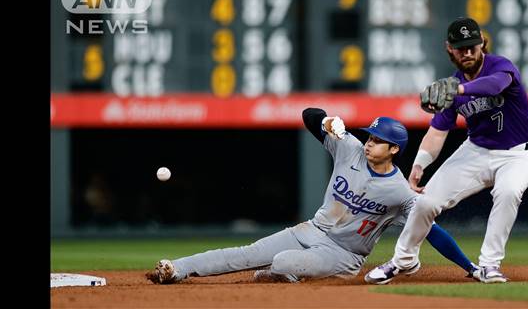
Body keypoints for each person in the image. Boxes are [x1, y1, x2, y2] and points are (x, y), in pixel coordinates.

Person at [146, 108, 478, 284]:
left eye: (377, 140)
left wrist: (468, 267)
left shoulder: (400, 192)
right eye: (369, 136)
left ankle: (287, 274)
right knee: (247, 253)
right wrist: (326, 119)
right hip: (311, 229)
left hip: (345, 255)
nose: (368, 142)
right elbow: (308, 115)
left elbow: (434, 231)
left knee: (281, 262)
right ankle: (177, 268)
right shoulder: (348, 147)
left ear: (394, 149)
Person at [365, 17, 528, 285]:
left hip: (519, 153)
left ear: (482, 42)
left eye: (472, 45)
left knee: (508, 192)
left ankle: (489, 265)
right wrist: (419, 164)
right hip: (476, 151)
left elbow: (494, 86)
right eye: (461, 48)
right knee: (425, 203)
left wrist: (457, 89)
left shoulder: (500, 66)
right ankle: (401, 261)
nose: (468, 52)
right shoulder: (451, 87)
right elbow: (437, 132)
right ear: (449, 48)